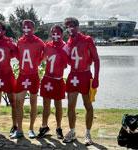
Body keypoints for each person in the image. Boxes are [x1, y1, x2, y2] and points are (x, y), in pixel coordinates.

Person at [62, 17, 100, 145]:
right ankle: (72, 132)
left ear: (78, 27)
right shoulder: (68, 42)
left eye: (72, 25)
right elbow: (68, 61)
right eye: (67, 26)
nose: (70, 28)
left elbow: (96, 59)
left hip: (85, 75)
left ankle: (88, 134)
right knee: (70, 106)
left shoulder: (87, 40)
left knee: (87, 105)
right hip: (73, 76)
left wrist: (96, 78)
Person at [11, 19, 45, 139]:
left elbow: (45, 52)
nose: (26, 29)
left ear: (33, 28)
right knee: (18, 101)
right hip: (22, 75)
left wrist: (38, 62)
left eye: (29, 27)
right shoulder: (20, 41)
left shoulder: (39, 42)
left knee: (33, 102)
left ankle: (31, 129)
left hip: (34, 76)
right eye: (24, 27)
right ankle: (19, 130)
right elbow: (16, 54)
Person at [37, 25, 68, 139]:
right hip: (47, 78)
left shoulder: (65, 47)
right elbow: (42, 58)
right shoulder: (48, 45)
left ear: (62, 34)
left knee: (58, 105)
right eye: (53, 33)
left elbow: (65, 65)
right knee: (46, 105)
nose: (55, 35)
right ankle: (44, 126)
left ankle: (59, 128)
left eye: (58, 33)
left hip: (58, 80)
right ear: (51, 34)